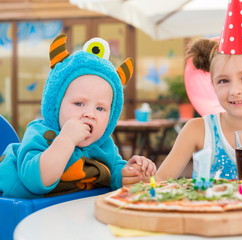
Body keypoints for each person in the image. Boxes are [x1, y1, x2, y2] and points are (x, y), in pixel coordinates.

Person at [156, 1, 242, 181]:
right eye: (223, 80)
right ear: (213, 85)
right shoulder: (198, 131)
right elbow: (158, 184)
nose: (234, 90)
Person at [0, 34, 155, 198]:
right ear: (56, 105)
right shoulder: (40, 134)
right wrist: (66, 140)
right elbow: (36, 181)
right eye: (79, 103)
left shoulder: (104, 146)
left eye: (101, 108)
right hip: (14, 210)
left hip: (66, 212)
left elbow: (113, 175)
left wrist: (131, 174)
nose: (90, 114)